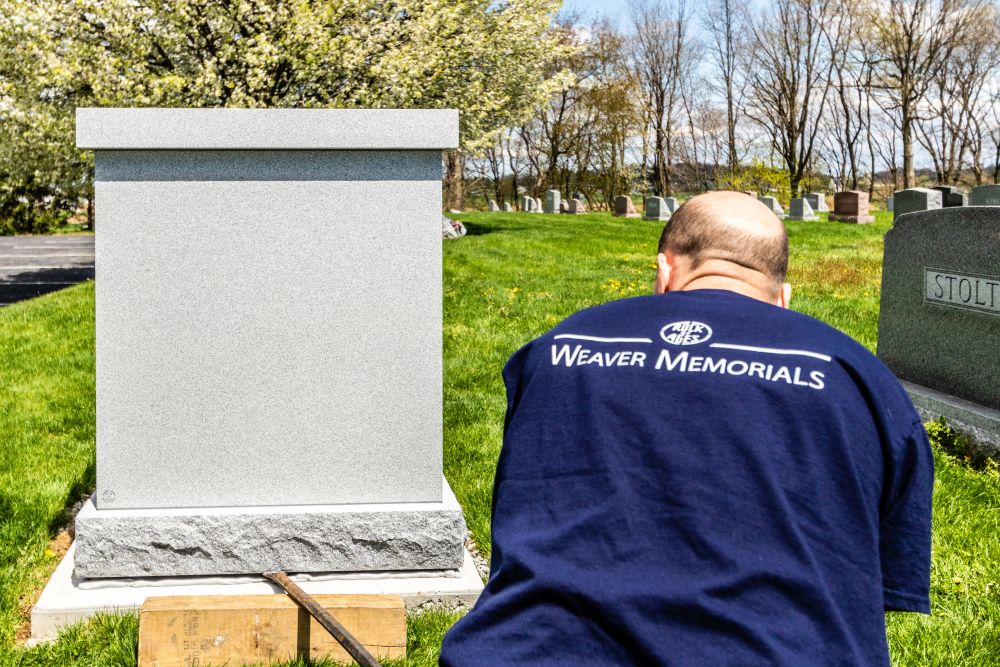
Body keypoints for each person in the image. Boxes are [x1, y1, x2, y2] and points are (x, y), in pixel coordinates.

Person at [439, 191, 933, 666]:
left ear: (664, 273)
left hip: (526, 650)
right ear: (783, 299)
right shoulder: (862, 379)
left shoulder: (554, 350)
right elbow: (877, 583)